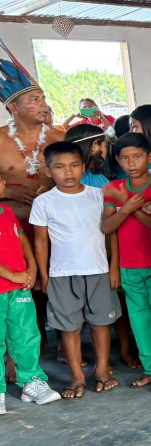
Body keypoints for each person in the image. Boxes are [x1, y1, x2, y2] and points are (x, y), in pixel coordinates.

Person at [30, 141, 121, 400]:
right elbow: (40, 242)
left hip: (98, 270)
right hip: (61, 274)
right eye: (59, 167)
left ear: (83, 166)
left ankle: (102, 370)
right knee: (68, 328)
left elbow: (110, 233)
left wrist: (114, 266)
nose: (68, 172)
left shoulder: (97, 195)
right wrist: (45, 276)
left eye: (73, 166)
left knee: (100, 323)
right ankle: (77, 376)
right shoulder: (44, 202)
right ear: (49, 171)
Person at [103, 132, 151, 393]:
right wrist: (115, 265)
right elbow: (107, 227)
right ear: (118, 160)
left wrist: (129, 206)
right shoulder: (117, 188)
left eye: (137, 156)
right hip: (129, 267)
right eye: (125, 158)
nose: (131, 163)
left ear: (149, 157)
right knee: (139, 320)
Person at [0, 172, 60, 409]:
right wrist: (13, 274)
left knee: (26, 336)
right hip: (9, 282)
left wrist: (32, 268)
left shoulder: (7, 213)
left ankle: (32, 382)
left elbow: (22, 239)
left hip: (19, 288)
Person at [0, 78, 63, 223]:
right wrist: (8, 191)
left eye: (43, 98)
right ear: (14, 107)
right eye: (34, 99)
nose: (44, 104)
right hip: (11, 225)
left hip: (57, 223)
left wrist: (56, 188)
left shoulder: (61, 138)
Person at [65, 123, 112, 189]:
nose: (106, 151)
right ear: (94, 146)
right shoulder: (100, 183)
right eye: (105, 146)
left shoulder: (62, 177)